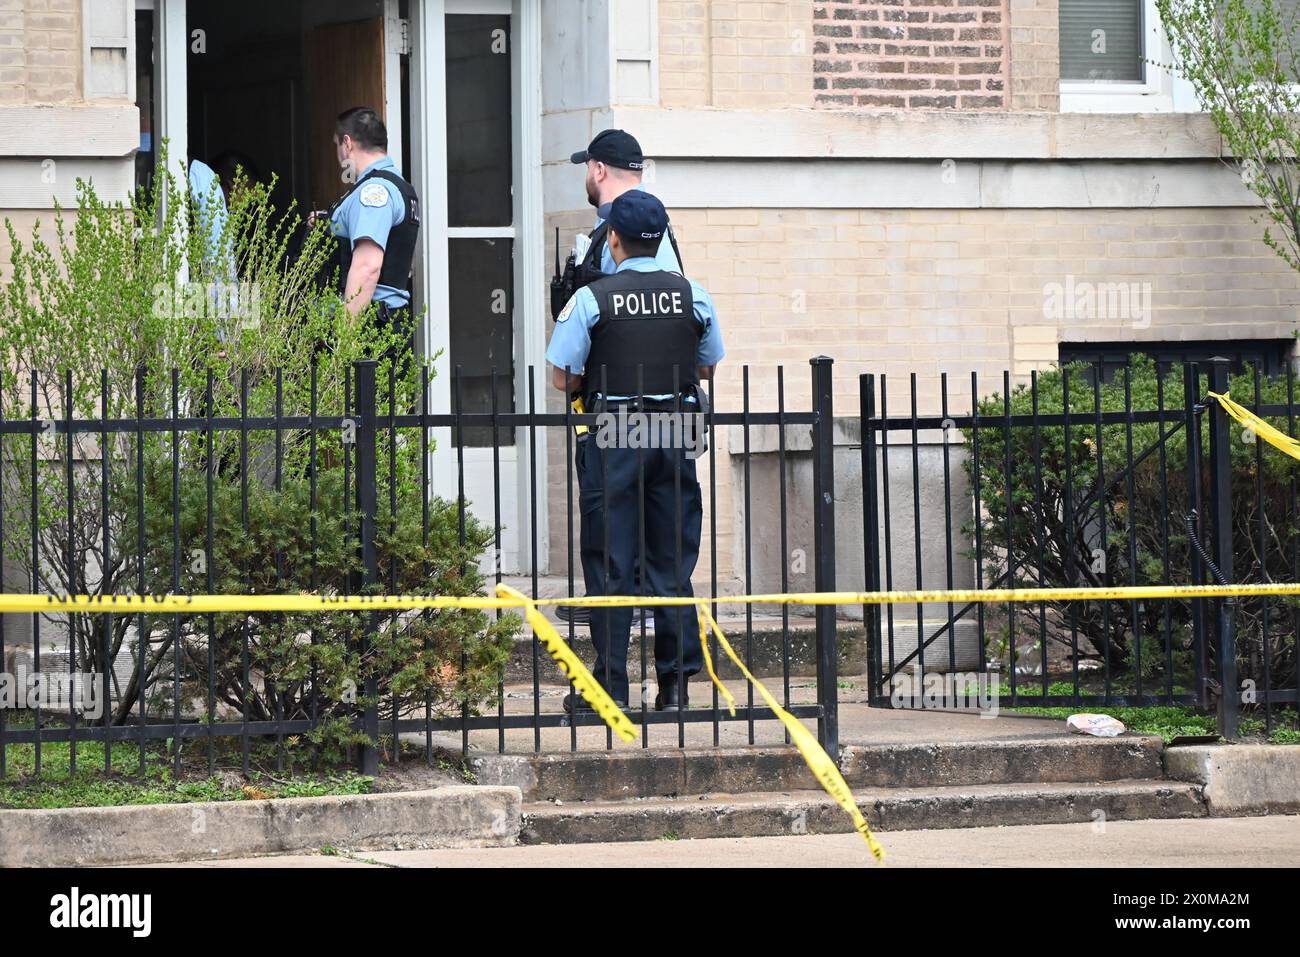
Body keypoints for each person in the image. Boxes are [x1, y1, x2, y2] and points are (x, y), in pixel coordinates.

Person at [546, 191, 724, 714]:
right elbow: (708, 366)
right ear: (663, 237)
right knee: (671, 562)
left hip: (614, 433)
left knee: (611, 563)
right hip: (674, 432)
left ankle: (610, 687)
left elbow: (563, 377)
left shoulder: (591, 300)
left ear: (614, 240)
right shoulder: (694, 294)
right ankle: (674, 687)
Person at [316, 107, 421, 362]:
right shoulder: (398, 186)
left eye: (337, 146)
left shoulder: (373, 193)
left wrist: (345, 340)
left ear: (348, 143)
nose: (339, 156)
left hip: (368, 330)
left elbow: (367, 266)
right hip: (382, 324)